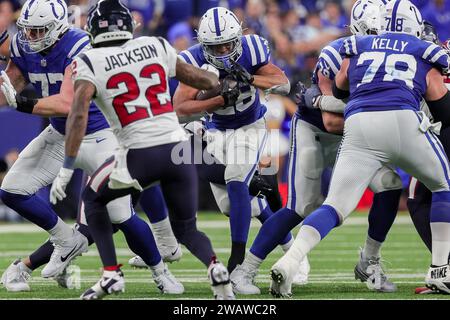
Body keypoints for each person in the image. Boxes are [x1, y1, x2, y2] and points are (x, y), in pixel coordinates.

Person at [0, 0, 182, 294]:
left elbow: (68, 102)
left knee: (120, 214)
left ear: (59, 28)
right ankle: (65, 240)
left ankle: (160, 272)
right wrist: (8, 88)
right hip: (60, 133)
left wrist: (21, 103)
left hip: (101, 135)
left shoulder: (80, 45)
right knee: (12, 190)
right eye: (28, 30)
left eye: (39, 31)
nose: (31, 37)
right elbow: (10, 87)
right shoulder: (22, 46)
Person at [270, 0, 450, 297]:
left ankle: (291, 261)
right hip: (403, 120)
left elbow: (341, 87)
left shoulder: (359, 44)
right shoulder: (421, 48)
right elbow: (442, 105)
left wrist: (322, 100)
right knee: (443, 185)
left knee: (335, 206)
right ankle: (441, 270)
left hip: (358, 125)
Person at [57, 0, 234, 300]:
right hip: (178, 150)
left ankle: (111, 273)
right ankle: (215, 267)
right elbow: (200, 79)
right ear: (128, 24)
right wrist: (224, 84)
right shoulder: (155, 45)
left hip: (137, 154)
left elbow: (77, 115)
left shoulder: (89, 61)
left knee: (92, 199)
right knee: (187, 230)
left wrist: (67, 165)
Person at [230, 0, 403, 295]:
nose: (375, 42)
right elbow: (331, 122)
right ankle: (244, 270)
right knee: (300, 207)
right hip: (318, 130)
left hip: (355, 134)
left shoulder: (390, 58)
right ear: (356, 32)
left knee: (390, 184)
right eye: (370, 34)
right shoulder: (336, 55)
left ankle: (370, 260)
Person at [174, 6, 290, 273]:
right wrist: (219, 99)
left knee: (237, 179)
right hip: (217, 130)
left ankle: (238, 263)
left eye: (228, 45)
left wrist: (250, 78)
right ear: (203, 45)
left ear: (238, 38)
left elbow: (281, 82)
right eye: (217, 48)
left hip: (251, 126)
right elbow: (179, 110)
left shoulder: (253, 48)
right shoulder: (191, 61)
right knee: (236, 207)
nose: (224, 52)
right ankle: (291, 246)